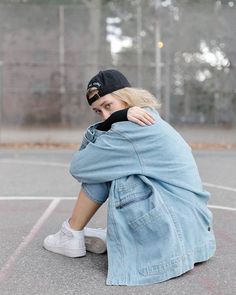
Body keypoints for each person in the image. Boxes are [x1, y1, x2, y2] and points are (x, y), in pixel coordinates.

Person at [43, 69, 216, 286]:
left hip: (174, 233)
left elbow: (79, 167)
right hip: (194, 233)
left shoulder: (130, 129)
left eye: (109, 106)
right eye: (98, 111)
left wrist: (110, 124)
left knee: (105, 168)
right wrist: (116, 116)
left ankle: (72, 233)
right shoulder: (148, 118)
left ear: (127, 98)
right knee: (107, 163)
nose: (105, 116)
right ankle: (91, 234)